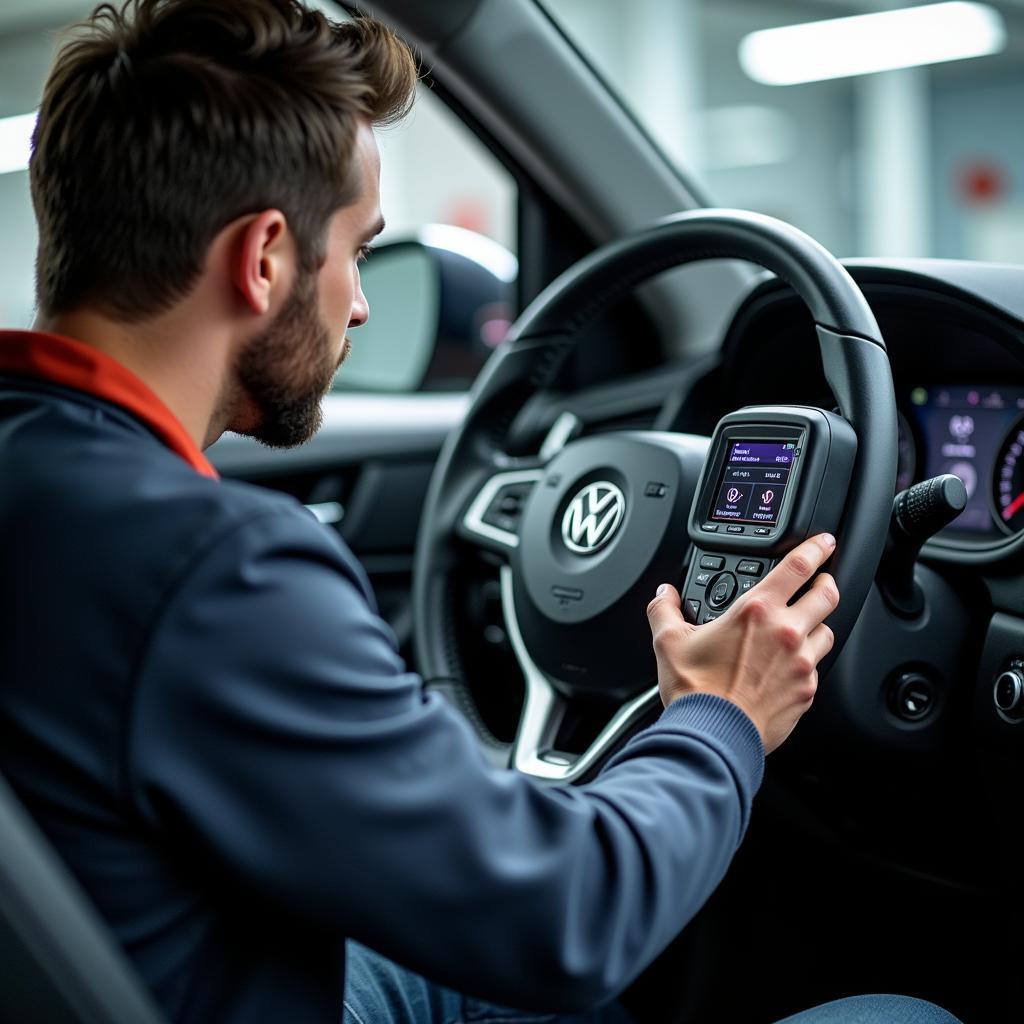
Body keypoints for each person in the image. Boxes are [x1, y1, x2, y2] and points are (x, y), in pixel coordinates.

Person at [0, 2, 960, 1023]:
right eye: (359, 251)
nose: (360, 305)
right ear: (266, 257)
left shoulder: (51, 482)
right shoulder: (209, 569)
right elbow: (573, 918)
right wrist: (720, 716)